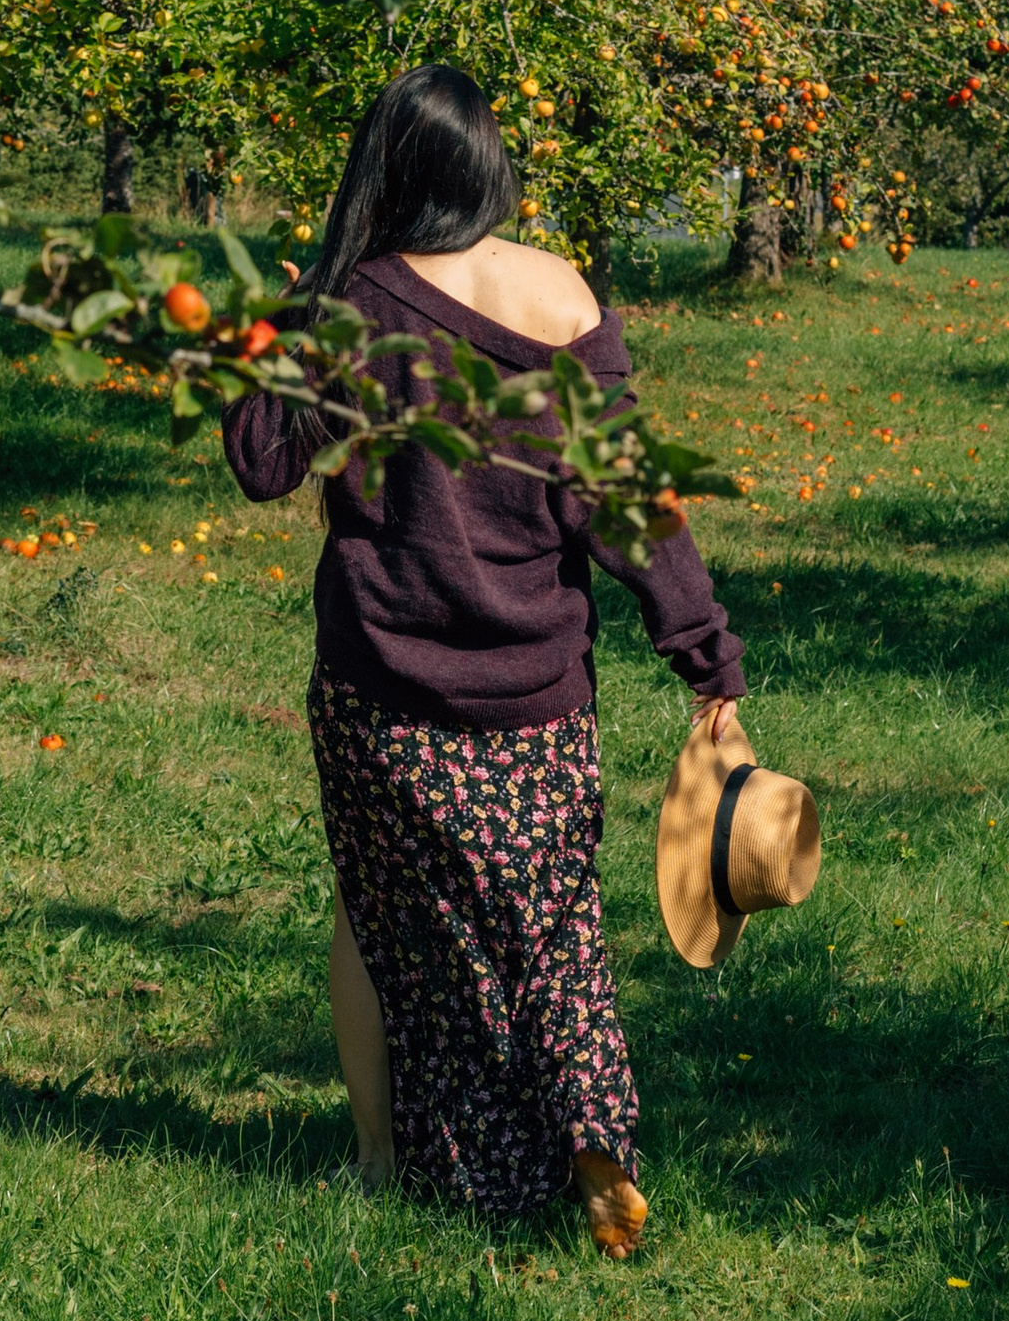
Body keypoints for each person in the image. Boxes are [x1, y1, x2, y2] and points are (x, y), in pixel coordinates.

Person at [221, 63, 745, 1255]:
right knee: (554, 926)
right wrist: (702, 652)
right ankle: (590, 1129)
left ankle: (386, 1159)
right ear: (488, 168)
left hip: (383, 690)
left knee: (382, 919)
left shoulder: (349, 301)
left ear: (381, 170)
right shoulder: (560, 293)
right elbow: (624, 499)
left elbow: (260, 462)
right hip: (537, 694)